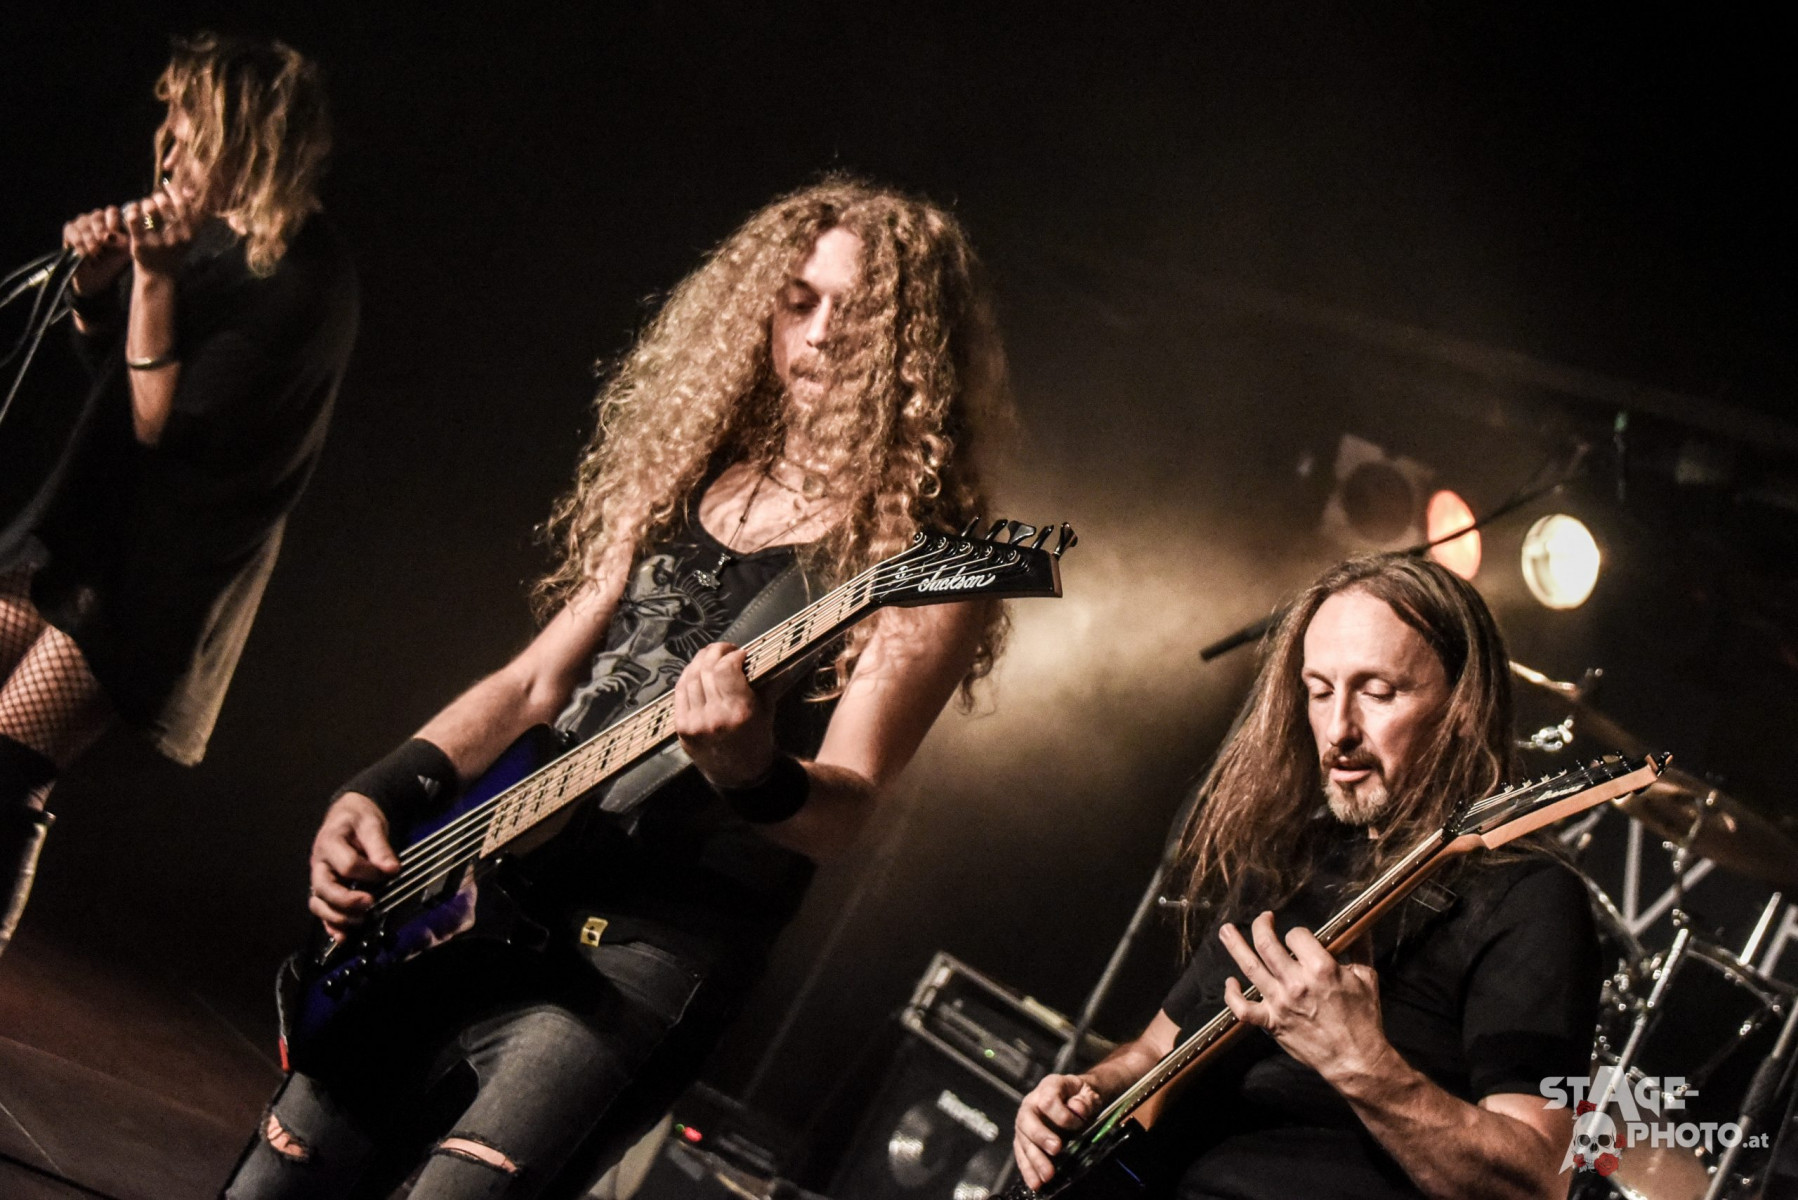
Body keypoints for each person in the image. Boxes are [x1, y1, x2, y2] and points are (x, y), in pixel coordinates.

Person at [221, 178, 1013, 1199]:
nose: (819, 336)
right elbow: (534, 681)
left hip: (649, 954)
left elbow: (844, 809)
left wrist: (753, 771)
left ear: (912, 347)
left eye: (856, 315)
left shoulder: (927, 566)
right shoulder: (693, 474)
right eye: (799, 302)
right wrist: (378, 791)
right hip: (485, 889)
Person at [1014, 554, 1601, 1199]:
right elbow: (1155, 1050)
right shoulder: (1288, 860)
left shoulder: (1529, 897)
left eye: (1377, 692)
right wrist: (1087, 1091)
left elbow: (1537, 1181)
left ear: (1464, 704)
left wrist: (1360, 1064)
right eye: (1320, 691)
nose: (1338, 729)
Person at [0, 33, 358, 956]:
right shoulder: (207, 237)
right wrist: (96, 290)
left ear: (250, 143)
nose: (168, 153)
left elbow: (165, 425)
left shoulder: (304, 278)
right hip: (81, 535)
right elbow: (116, 381)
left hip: (156, 576)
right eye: (171, 131)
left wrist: (152, 279)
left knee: (8, 766)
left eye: (192, 136)